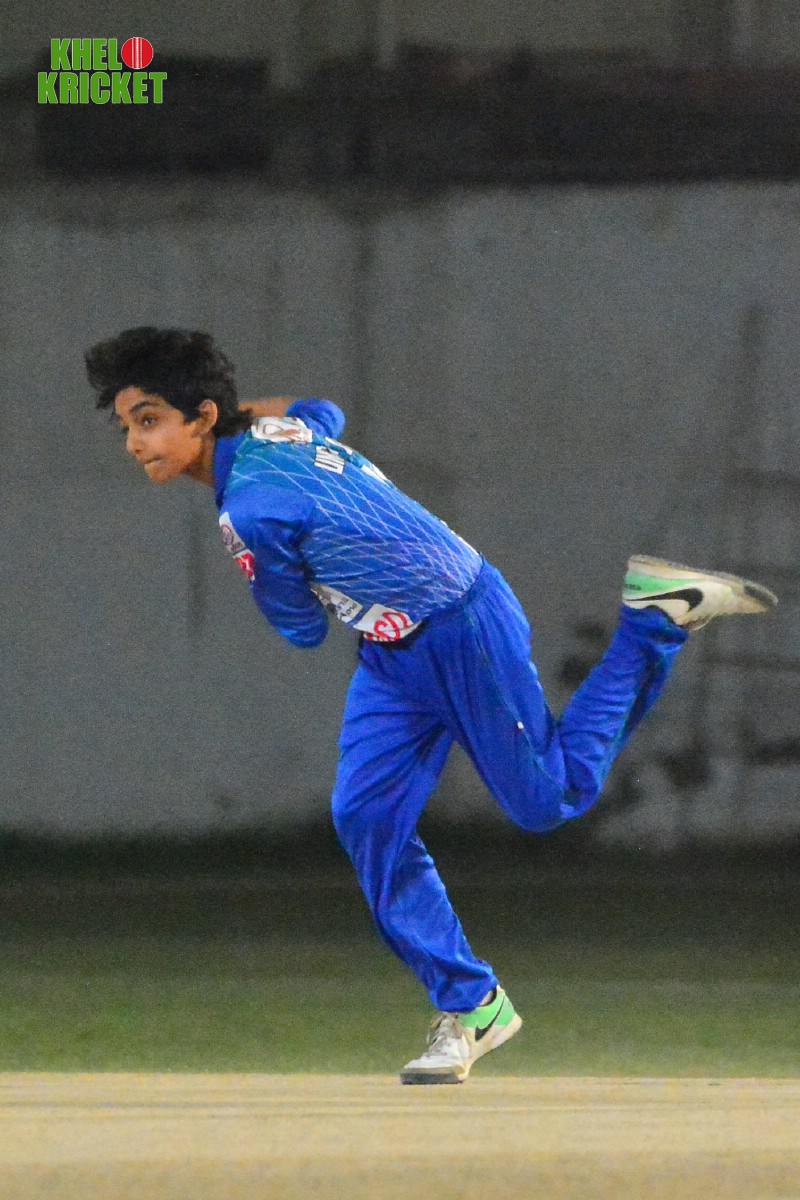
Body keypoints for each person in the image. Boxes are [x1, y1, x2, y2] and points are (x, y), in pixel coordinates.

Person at [86, 326, 777, 1085]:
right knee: (366, 817)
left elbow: (300, 629)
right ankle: (474, 1006)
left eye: (150, 419)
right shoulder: (276, 433)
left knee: (549, 799)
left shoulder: (250, 509)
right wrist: (255, 422)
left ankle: (655, 618)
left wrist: (273, 554)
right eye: (127, 426)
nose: (136, 443)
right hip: (393, 649)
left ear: (204, 417)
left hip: (460, 623)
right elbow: (322, 409)